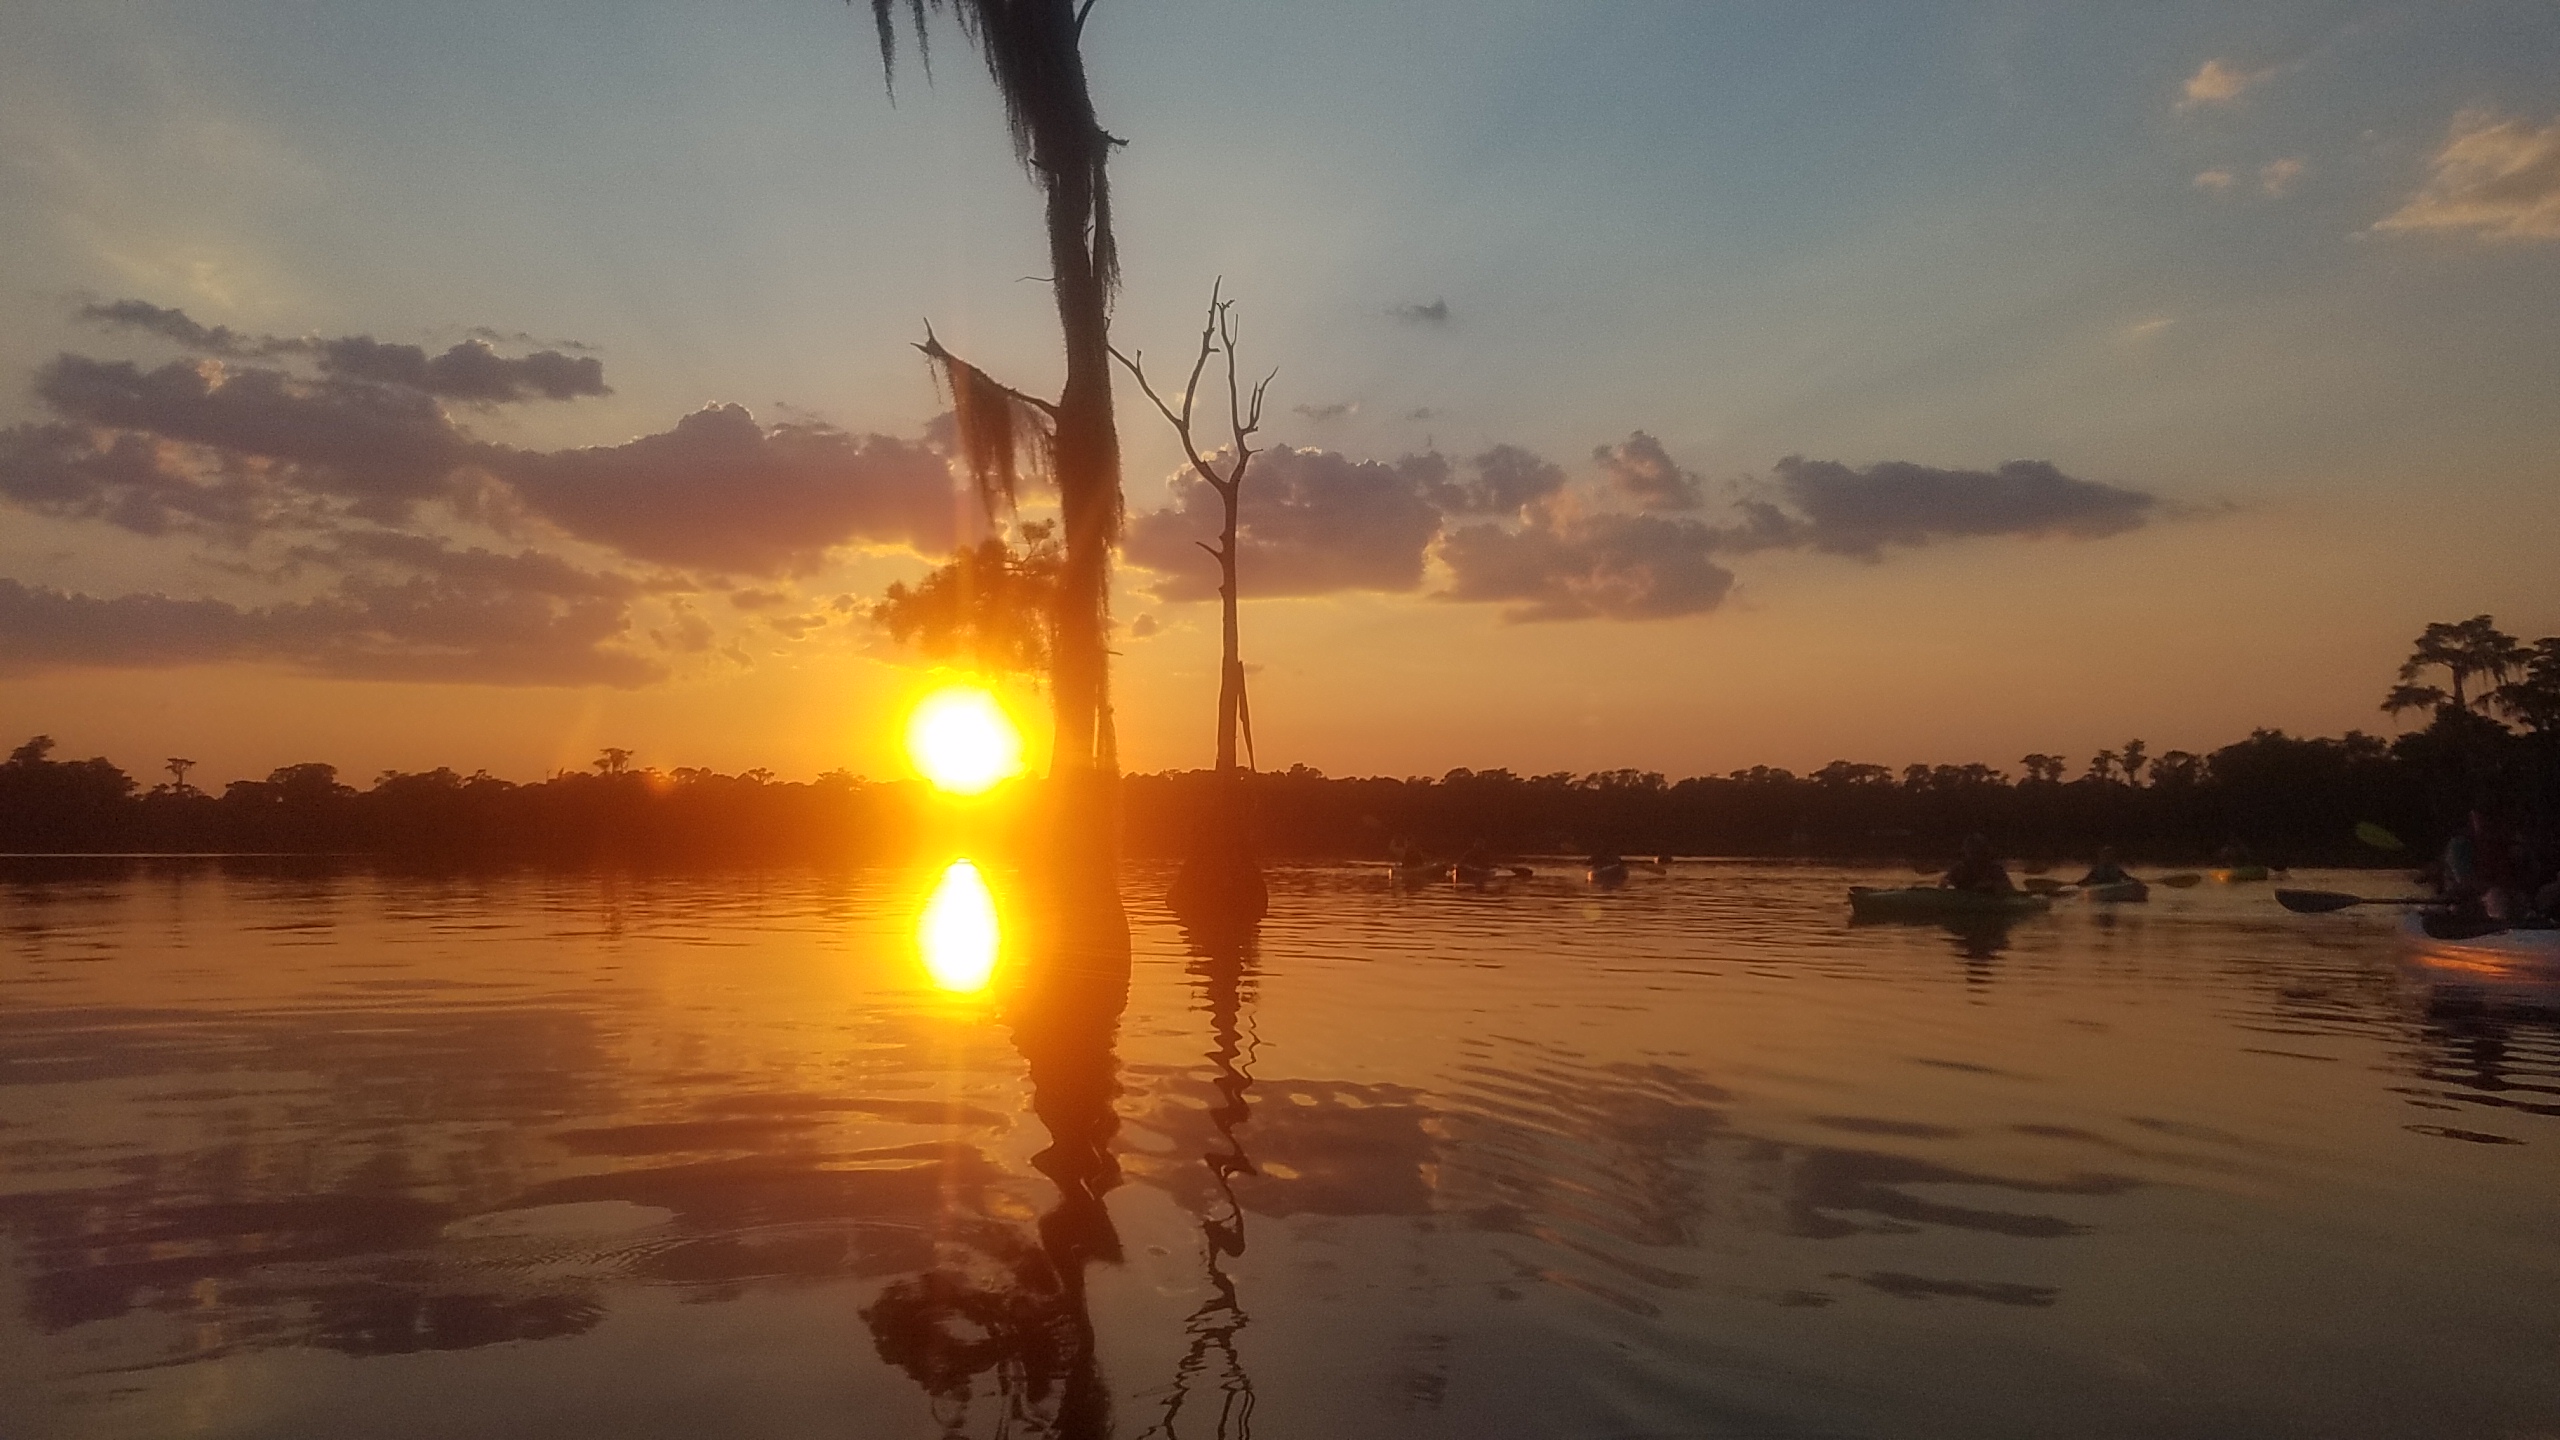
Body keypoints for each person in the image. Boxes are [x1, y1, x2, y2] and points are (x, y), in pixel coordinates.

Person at [1939, 834, 2015, 895]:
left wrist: (1992, 886)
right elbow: (1944, 882)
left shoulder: (1994, 869)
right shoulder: (1960, 868)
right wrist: (1944, 883)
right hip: (1965, 902)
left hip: (1990, 903)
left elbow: (2011, 891)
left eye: (1978, 852)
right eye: (1972, 852)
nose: (1975, 855)